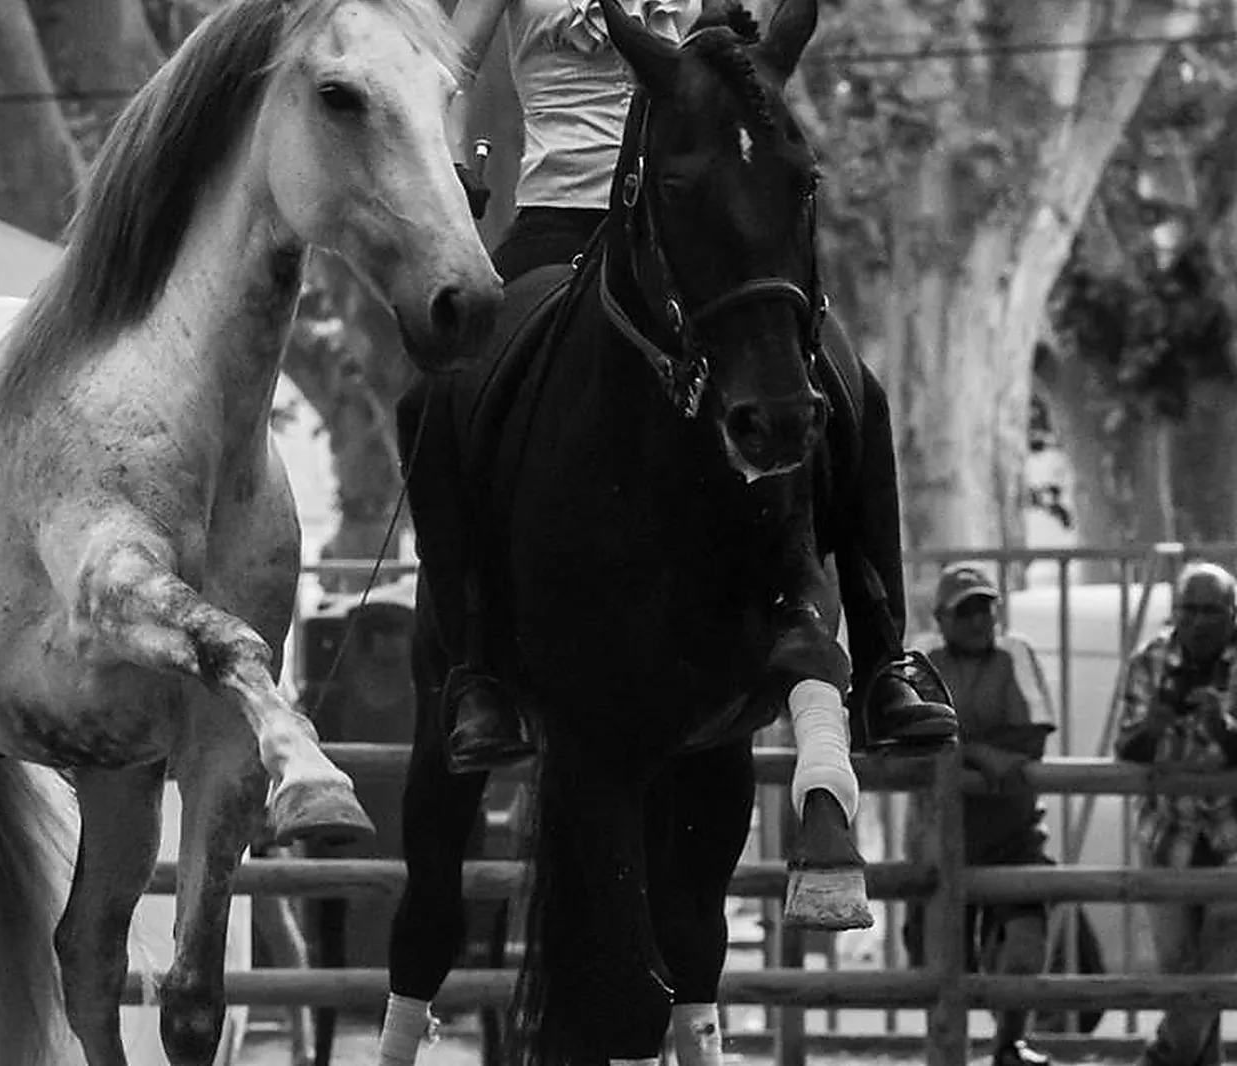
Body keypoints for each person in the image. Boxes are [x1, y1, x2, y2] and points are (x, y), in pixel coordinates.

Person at [404, 0, 957, 780]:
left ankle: (883, 658)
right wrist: (452, 169)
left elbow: (752, 63)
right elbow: (442, 73)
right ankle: (477, 665)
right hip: (560, 219)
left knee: (853, 384)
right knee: (430, 400)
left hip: (693, 224)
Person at [902, 563, 1059, 1066]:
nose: (977, 620)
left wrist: (959, 748)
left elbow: (1034, 734)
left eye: (984, 607)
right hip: (938, 833)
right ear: (940, 618)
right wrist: (981, 756)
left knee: (1025, 943)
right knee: (939, 958)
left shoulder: (1016, 652)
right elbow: (911, 735)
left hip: (1014, 831)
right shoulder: (921, 659)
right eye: (965, 609)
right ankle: (946, 1053)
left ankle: (1010, 1043)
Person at [1113, 562, 1237, 1066]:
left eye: (1213, 610)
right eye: (1190, 610)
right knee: (1180, 974)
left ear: (1233, 615)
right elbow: (1126, 745)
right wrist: (1154, 725)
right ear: (1174, 613)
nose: (1201, 621)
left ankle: (1161, 1057)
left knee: (1214, 967)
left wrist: (1222, 727)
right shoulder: (1150, 659)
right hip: (1167, 832)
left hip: (1233, 836)